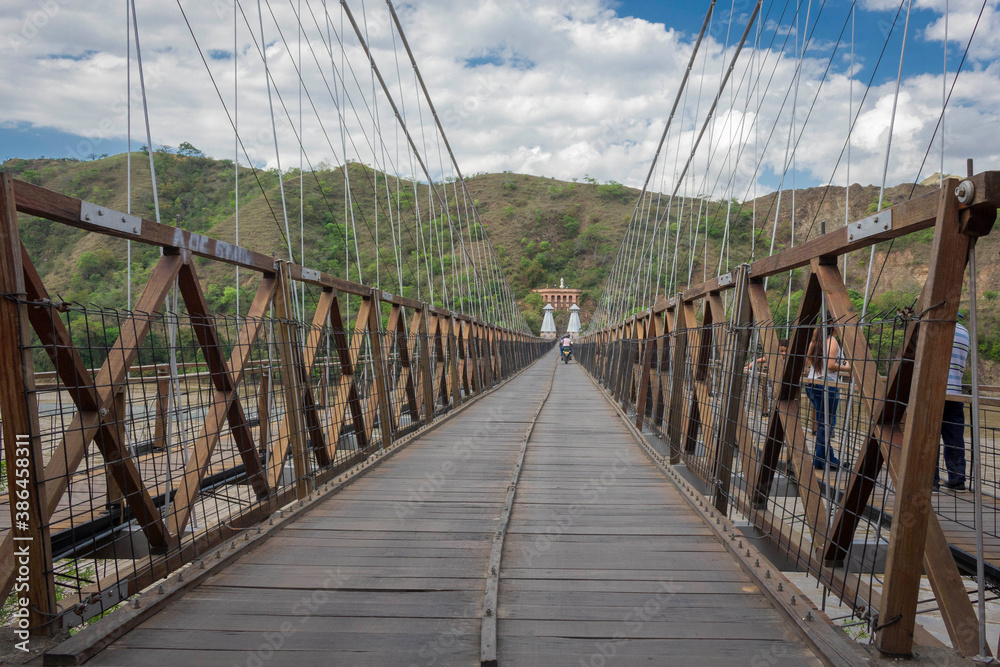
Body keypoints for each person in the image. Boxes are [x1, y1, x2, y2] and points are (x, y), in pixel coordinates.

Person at [805, 325, 850, 469]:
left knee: (823, 422)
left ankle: (821, 459)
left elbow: (809, 361)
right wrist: (849, 366)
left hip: (812, 382)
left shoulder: (815, 341)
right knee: (827, 423)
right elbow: (830, 365)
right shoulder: (832, 341)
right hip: (827, 385)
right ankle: (827, 460)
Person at [937, 319, 970, 491]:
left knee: (929, 438)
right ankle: (957, 479)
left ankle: (930, 480)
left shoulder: (935, 325)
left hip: (933, 391)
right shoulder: (964, 332)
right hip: (955, 392)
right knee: (955, 439)